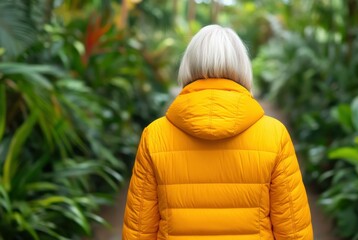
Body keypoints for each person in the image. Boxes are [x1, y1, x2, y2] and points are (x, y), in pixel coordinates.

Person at [122, 24, 313, 240]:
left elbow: (139, 232)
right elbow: (294, 232)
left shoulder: (155, 135)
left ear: (189, 65)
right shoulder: (274, 135)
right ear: (243, 67)